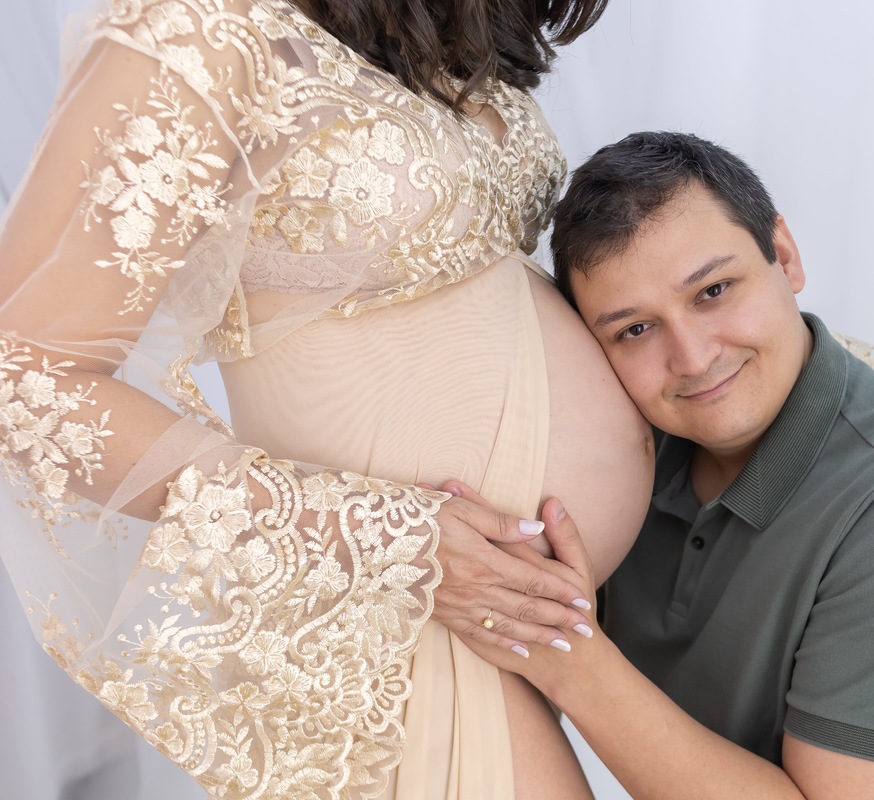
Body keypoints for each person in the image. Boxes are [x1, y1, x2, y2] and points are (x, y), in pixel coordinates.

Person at [0, 1, 651, 798]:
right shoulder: (198, 24)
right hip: (389, 623)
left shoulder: (421, 18)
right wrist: (388, 543)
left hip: (516, 621)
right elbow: (22, 376)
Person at [442, 131, 874, 799]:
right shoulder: (620, 451)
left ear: (785, 258)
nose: (694, 356)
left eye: (713, 291)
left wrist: (568, 655)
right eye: (634, 330)